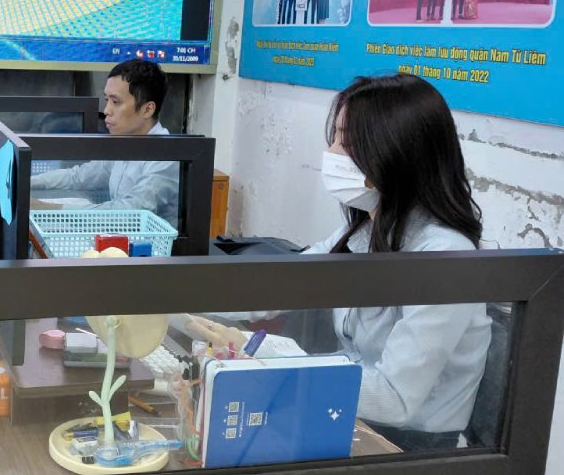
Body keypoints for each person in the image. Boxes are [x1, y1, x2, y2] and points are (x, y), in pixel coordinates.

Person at [189, 74, 489, 451]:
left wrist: (268, 362)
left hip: (407, 445)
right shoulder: (366, 231)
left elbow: (395, 398)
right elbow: (278, 286)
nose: (331, 154)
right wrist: (178, 296)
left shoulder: (443, 257)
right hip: (347, 412)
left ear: (393, 151)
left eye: (345, 142)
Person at [30, 59, 179, 226]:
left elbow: (132, 211)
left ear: (147, 109)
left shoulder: (166, 158)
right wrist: (27, 181)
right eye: (107, 100)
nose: (106, 110)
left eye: (116, 102)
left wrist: (50, 209)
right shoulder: (125, 142)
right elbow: (78, 177)